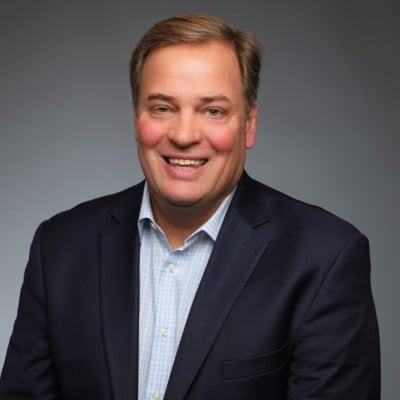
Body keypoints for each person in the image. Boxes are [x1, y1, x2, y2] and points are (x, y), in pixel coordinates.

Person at [0, 14, 380, 400]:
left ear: (249, 124)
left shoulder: (324, 258)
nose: (184, 135)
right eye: (162, 108)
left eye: (213, 111)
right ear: (136, 118)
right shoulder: (60, 248)